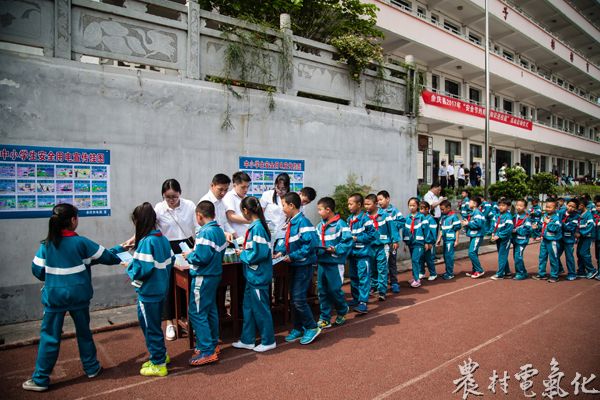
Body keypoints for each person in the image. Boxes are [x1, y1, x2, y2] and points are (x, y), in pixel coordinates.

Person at [23, 204, 123, 392]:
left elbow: (37, 270)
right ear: (72, 220)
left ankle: (41, 378)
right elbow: (106, 257)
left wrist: (54, 278)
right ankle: (92, 368)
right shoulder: (81, 243)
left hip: (54, 298)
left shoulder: (46, 245)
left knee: (50, 337)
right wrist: (121, 249)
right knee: (84, 333)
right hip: (79, 296)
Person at [126, 203, 174, 377]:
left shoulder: (147, 242)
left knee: (150, 327)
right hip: (161, 290)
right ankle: (160, 355)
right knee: (153, 325)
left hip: (148, 293)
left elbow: (141, 269)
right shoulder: (162, 238)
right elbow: (171, 260)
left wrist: (129, 265)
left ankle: (158, 362)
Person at [274, 192, 321, 345]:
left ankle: (312, 327)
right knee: (294, 299)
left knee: (298, 298)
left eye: (283, 205)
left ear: (291, 205)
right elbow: (291, 242)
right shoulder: (292, 221)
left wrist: (293, 255)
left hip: (303, 266)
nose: (282, 209)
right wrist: (281, 252)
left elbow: (311, 244)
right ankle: (298, 327)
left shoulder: (303, 222)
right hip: (294, 265)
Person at [183, 201, 227, 366]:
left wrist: (189, 256)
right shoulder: (219, 231)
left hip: (203, 275)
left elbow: (201, 257)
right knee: (210, 310)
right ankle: (212, 344)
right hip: (214, 275)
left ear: (199, 216)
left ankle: (207, 350)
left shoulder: (204, 232)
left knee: (196, 312)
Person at [154, 178, 197, 341]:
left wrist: (196, 246)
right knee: (167, 285)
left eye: (174, 196)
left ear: (180, 194)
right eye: (168, 197)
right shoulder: (159, 208)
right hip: (166, 247)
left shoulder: (189, 206)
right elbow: (152, 228)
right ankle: (169, 322)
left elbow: (197, 226)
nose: (171, 201)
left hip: (187, 246)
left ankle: (185, 318)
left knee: (186, 283)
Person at [232, 196, 276, 352]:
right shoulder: (256, 226)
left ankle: (268, 340)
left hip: (258, 276)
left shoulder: (257, 228)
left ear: (245, 210)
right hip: (252, 276)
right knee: (249, 308)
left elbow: (259, 253)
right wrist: (244, 252)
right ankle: (247, 339)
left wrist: (242, 254)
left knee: (261, 308)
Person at [315, 197, 352, 329]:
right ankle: (325, 318)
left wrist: (335, 249)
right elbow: (315, 242)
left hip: (335, 263)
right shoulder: (319, 226)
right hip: (322, 263)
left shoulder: (341, 225)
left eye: (320, 209)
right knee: (322, 291)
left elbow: (348, 242)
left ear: (328, 210)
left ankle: (342, 310)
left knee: (334, 290)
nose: (318, 212)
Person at [346, 193, 377, 313]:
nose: (349, 206)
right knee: (353, 277)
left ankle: (363, 302)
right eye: (348, 204)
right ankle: (356, 298)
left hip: (363, 254)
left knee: (363, 277)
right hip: (352, 254)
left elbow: (372, 235)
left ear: (359, 205)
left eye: (351, 204)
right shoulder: (349, 219)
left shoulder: (366, 219)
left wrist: (357, 238)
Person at [365, 194, 399, 301]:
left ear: (375, 204)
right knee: (372, 268)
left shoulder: (384, 215)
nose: (366, 206)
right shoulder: (365, 217)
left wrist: (395, 240)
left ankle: (382, 291)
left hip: (383, 246)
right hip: (370, 246)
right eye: (365, 204)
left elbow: (392, 228)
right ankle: (374, 287)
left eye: (368, 204)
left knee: (382, 268)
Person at [376, 190, 403, 293]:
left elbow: (401, 221)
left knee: (392, 262)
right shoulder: (377, 212)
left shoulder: (394, 211)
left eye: (381, 199)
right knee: (380, 264)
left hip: (391, 242)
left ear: (388, 199)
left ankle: (394, 282)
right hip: (381, 243)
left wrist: (391, 224)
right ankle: (380, 284)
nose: (379, 202)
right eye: (378, 200)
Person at [532, 199, 562, 283]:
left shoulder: (556, 218)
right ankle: (542, 274)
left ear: (555, 208)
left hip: (553, 240)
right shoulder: (544, 215)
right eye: (547, 207)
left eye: (550, 207)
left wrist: (549, 223)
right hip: (544, 240)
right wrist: (536, 227)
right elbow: (542, 225)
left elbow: (555, 228)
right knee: (542, 257)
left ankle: (554, 275)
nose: (548, 209)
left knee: (553, 258)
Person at [200, 174, 235, 242]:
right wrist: (224, 233)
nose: (223, 193)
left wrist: (233, 233)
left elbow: (224, 222)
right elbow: (206, 225)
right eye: (220, 189)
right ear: (212, 185)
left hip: (220, 240)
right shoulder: (205, 202)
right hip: (209, 240)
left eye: (226, 190)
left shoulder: (222, 201)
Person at [402, 198, 427, 288]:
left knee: (415, 260)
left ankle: (417, 280)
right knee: (414, 260)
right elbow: (405, 231)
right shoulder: (407, 218)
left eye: (414, 205)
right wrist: (405, 242)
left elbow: (426, 230)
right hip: (411, 242)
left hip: (419, 242)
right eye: (410, 205)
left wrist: (427, 242)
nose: (411, 207)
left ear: (417, 206)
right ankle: (415, 277)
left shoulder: (421, 217)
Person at [461, 196, 486, 279]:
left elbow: (478, 224)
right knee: (473, 253)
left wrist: (468, 224)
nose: (468, 203)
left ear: (475, 204)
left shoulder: (477, 213)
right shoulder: (473, 212)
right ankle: (475, 270)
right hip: (474, 235)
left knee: (471, 253)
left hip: (477, 235)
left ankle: (479, 270)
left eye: (470, 202)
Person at [260, 173, 290, 242]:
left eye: (283, 189)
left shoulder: (290, 198)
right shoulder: (267, 194)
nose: (280, 191)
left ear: (287, 187)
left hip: (282, 235)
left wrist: (288, 223)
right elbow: (260, 213)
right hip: (267, 232)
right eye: (278, 187)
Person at [437, 199, 461, 280]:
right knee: (445, 256)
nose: (442, 211)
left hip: (451, 240)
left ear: (448, 208)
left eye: (443, 209)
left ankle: (450, 273)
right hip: (445, 240)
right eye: (441, 209)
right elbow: (441, 229)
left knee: (449, 257)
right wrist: (439, 239)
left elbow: (457, 229)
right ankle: (447, 271)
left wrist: (457, 240)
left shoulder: (454, 217)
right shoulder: (443, 217)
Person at [223, 171, 252, 239]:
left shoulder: (246, 197)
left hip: (246, 236)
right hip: (236, 237)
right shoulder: (229, 196)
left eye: (248, 187)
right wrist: (251, 221)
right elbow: (231, 216)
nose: (246, 190)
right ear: (234, 185)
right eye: (243, 187)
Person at [490, 198, 513, 280]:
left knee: (502, 255)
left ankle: (500, 274)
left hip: (505, 239)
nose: (501, 207)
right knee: (502, 255)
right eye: (499, 205)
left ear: (508, 207)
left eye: (503, 205)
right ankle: (507, 272)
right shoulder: (497, 215)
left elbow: (509, 229)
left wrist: (498, 235)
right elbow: (494, 225)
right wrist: (493, 233)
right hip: (498, 238)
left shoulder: (508, 216)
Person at [576, 199, 598, 280]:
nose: (577, 207)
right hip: (581, 237)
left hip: (587, 237)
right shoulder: (580, 214)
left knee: (584, 253)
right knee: (579, 253)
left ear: (582, 205)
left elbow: (591, 225)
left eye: (578, 205)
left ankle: (591, 270)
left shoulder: (588, 214)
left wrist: (582, 233)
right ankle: (581, 270)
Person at [559, 198, 580, 281]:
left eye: (573, 207)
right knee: (555, 255)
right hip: (560, 238)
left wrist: (560, 223)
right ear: (566, 205)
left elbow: (570, 228)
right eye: (569, 205)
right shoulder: (561, 212)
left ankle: (572, 273)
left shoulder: (576, 216)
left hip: (569, 240)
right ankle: (560, 269)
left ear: (576, 208)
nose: (570, 208)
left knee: (569, 257)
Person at [512, 199, 532, 280]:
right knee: (516, 256)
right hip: (515, 240)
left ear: (525, 207)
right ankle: (523, 271)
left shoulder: (526, 218)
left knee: (518, 257)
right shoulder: (514, 216)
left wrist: (517, 230)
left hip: (522, 241)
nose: (518, 207)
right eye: (517, 205)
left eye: (521, 206)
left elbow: (528, 230)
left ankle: (520, 273)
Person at [419, 201, 438, 281]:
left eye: (422, 209)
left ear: (427, 209)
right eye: (419, 209)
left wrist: (431, 242)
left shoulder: (431, 219)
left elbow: (433, 232)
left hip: (429, 243)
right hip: (421, 243)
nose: (420, 211)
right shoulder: (420, 218)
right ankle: (421, 272)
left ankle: (433, 273)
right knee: (421, 258)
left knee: (429, 259)